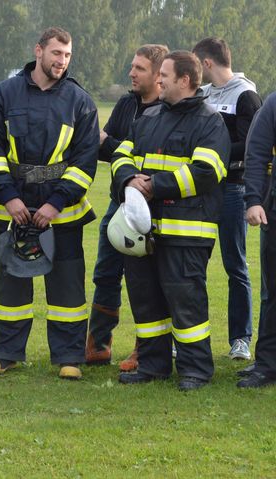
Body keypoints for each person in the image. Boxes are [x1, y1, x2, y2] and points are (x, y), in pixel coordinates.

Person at [0, 27, 99, 380]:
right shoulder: (3, 95)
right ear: (38, 51)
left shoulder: (80, 101)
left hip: (62, 212)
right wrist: (9, 197)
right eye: (56, 53)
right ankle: (5, 354)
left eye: (67, 55)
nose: (62, 61)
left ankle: (69, 357)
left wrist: (56, 203)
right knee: (10, 282)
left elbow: (85, 161)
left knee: (68, 286)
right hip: (11, 209)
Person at [114, 51, 230, 391]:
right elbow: (121, 155)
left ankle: (196, 370)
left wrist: (154, 185)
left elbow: (207, 172)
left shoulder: (209, 122)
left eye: (164, 75)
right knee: (146, 300)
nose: (159, 80)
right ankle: (153, 365)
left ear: (185, 80)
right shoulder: (148, 117)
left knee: (186, 302)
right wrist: (127, 178)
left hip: (186, 233)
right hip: (143, 232)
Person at [85, 44, 168, 370]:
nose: (131, 73)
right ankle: (98, 345)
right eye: (132, 66)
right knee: (105, 273)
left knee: (146, 280)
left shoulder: (168, 110)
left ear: (159, 75)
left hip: (153, 209)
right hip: (117, 203)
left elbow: (120, 148)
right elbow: (102, 149)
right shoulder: (126, 103)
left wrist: (113, 145)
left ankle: (144, 349)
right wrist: (114, 148)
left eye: (139, 68)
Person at [192, 37, 262, 361]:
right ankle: (190, 337)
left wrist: (209, 154)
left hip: (233, 190)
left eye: (197, 64)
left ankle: (240, 339)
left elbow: (250, 146)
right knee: (193, 265)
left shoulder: (246, 95)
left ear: (207, 63)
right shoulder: (203, 94)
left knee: (236, 265)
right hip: (203, 190)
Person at [239, 92, 276, 388]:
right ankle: (267, 364)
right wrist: (253, 199)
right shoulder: (274, 104)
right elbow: (257, 153)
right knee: (273, 292)